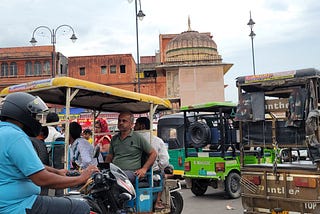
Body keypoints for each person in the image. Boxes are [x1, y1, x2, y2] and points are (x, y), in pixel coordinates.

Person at [0, 92, 99, 214]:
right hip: (18, 205)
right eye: (35, 117)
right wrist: (81, 178)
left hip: (8, 202)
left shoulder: (4, 132)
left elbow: (30, 165)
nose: (39, 122)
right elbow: (41, 179)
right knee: (82, 207)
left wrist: (57, 172)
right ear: (23, 114)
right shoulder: (15, 136)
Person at [105, 112, 157, 184]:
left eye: (124, 121)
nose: (121, 123)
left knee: (116, 178)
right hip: (115, 171)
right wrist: (104, 169)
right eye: (119, 120)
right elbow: (110, 156)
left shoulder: (138, 137)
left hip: (131, 173)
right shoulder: (114, 138)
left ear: (131, 124)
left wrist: (144, 169)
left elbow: (153, 154)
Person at [134, 117, 169, 210]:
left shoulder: (131, 139)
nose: (134, 127)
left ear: (142, 126)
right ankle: (157, 202)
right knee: (163, 175)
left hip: (133, 170)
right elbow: (164, 161)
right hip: (150, 173)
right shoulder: (157, 140)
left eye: (136, 124)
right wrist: (159, 168)